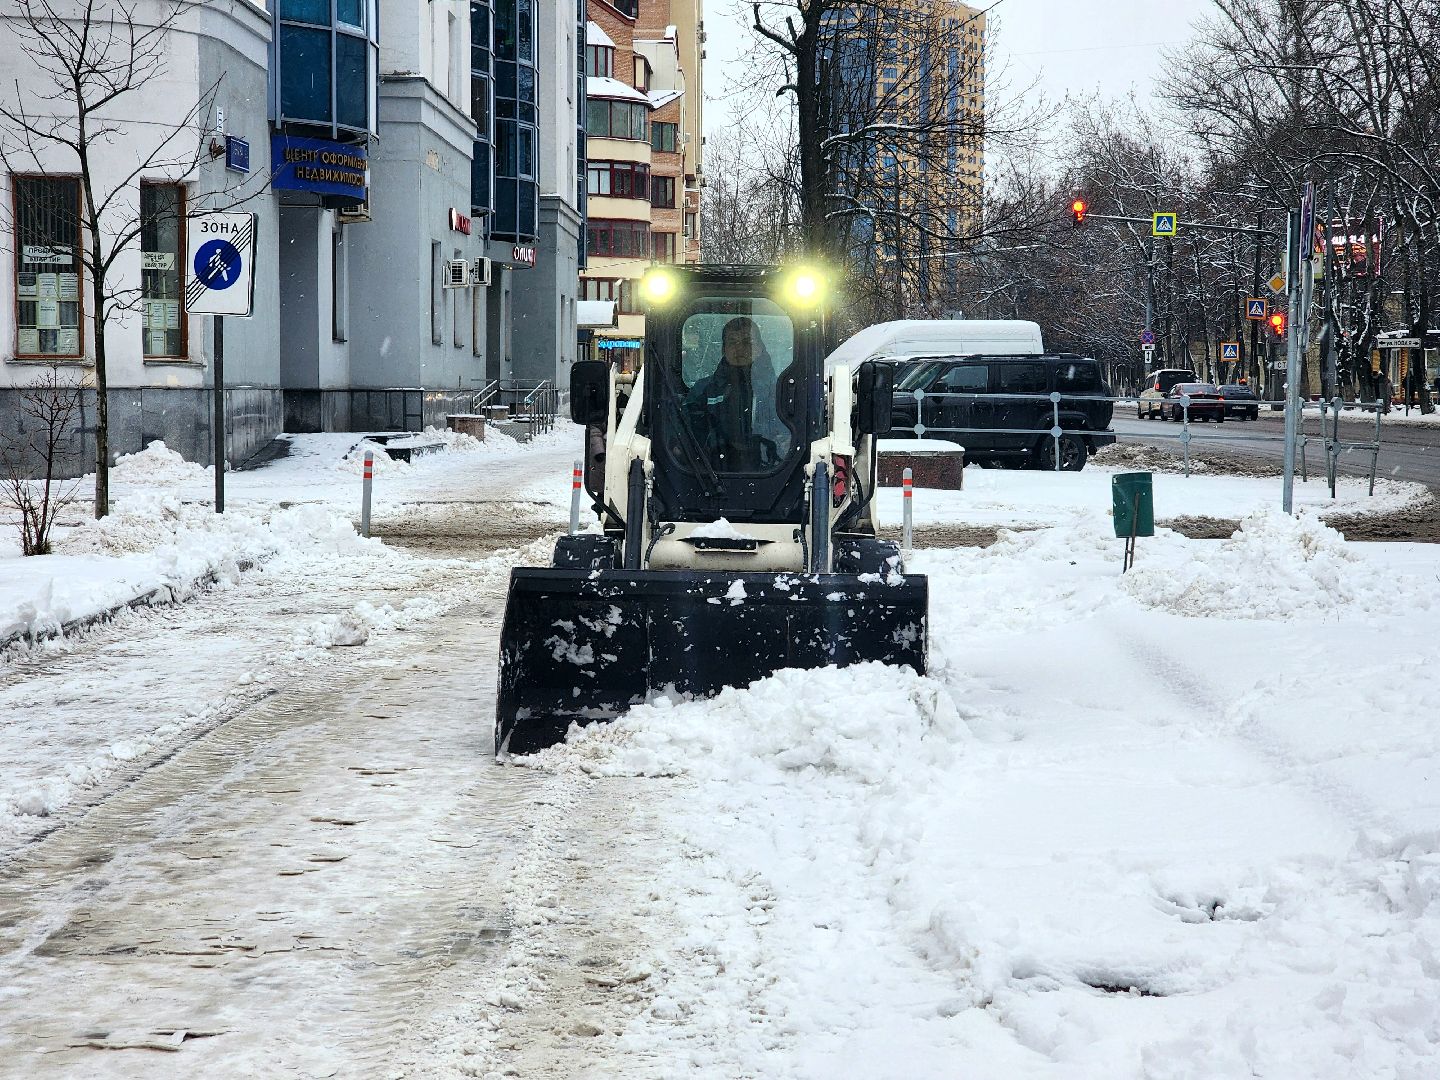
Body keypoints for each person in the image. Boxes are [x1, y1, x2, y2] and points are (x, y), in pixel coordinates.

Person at [684, 316, 787, 469]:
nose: (739, 348)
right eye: (732, 342)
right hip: (711, 479)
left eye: (747, 342)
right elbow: (686, 440)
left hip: (773, 475)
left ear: (759, 347)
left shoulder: (779, 391)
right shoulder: (703, 392)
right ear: (723, 349)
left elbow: (788, 437)